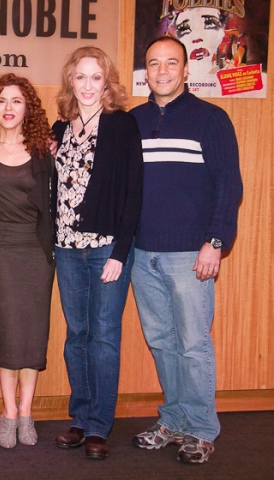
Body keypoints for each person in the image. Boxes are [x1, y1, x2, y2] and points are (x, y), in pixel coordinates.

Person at [130, 36, 242, 464]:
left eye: (170, 63)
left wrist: (215, 243)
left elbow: (229, 186)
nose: (162, 71)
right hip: (144, 254)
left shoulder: (211, 119)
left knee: (193, 343)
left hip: (190, 255)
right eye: (154, 63)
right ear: (146, 71)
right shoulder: (133, 121)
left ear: (185, 69)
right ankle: (173, 420)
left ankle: (200, 428)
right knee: (161, 341)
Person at [52, 47, 143, 460]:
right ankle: (80, 416)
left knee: (104, 337)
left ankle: (98, 427)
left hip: (106, 248)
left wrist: (120, 254)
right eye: (81, 77)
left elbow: (133, 193)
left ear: (107, 83)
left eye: (96, 77)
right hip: (66, 249)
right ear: (70, 80)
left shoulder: (123, 125)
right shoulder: (59, 128)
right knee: (77, 336)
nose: (88, 85)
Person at [0, 73, 54, 449]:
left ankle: (26, 411)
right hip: (1, 251)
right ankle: (8, 412)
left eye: (17, 101)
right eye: (2, 100)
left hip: (37, 253)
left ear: (28, 109)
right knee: (9, 330)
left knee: (34, 332)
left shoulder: (43, 151)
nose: (8, 108)